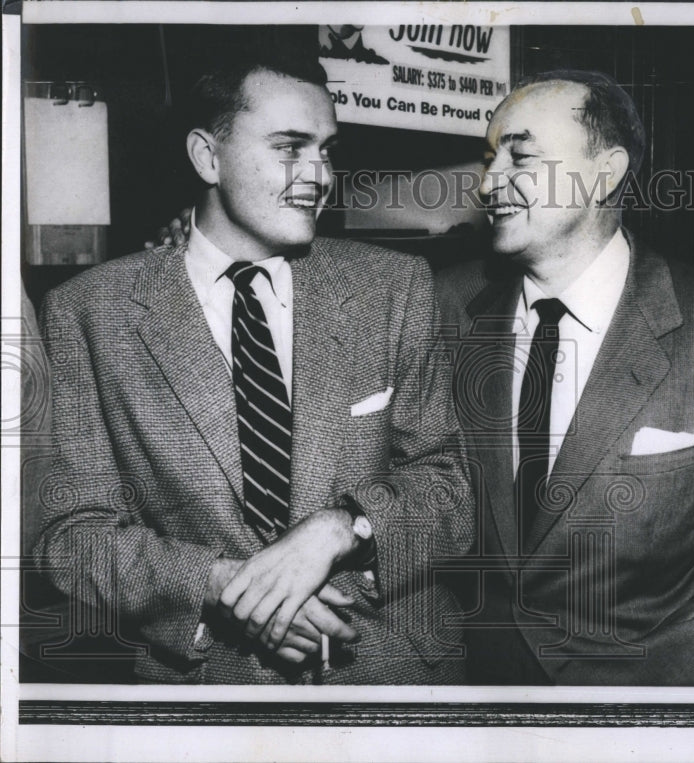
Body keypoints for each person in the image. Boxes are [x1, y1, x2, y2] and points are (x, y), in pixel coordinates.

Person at [36, 52, 473, 684]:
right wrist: (228, 587)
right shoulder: (89, 312)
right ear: (207, 157)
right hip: (209, 688)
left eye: (327, 150)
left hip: (391, 671)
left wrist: (343, 528)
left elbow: (451, 486)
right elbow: (71, 536)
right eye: (290, 147)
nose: (318, 175)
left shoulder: (393, 286)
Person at [435, 69, 694, 686]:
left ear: (605, 173)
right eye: (489, 156)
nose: (488, 182)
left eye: (519, 155)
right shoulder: (444, 306)